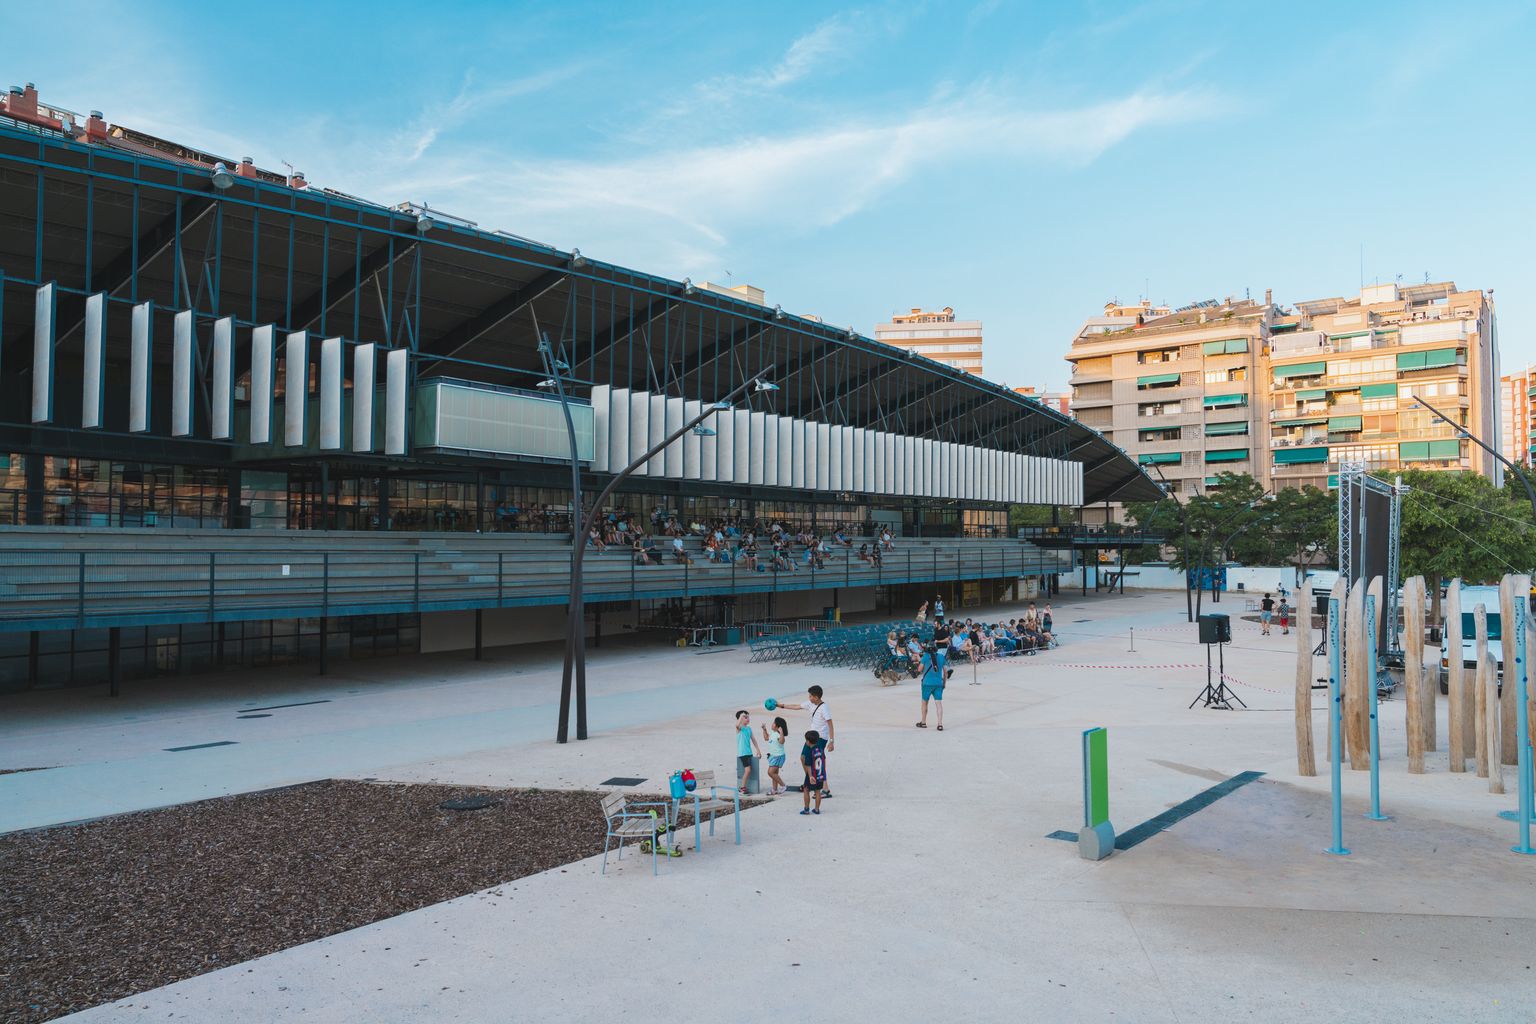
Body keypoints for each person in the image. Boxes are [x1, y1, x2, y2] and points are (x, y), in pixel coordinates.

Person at [777, 685, 834, 797]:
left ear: (817, 697)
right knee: (803, 758)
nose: (809, 698)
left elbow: (830, 725)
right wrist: (782, 706)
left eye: (811, 696)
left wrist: (831, 741)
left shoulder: (824, 708)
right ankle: (811, 779)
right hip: (811, 736)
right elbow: (797, 706)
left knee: (818, 762)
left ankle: (825, 789)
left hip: (821, 738)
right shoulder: (810, 703)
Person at [917, 642, 946, 730]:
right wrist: (944, 683)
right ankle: (940, 724)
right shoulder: (941, 656)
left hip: (927, 683)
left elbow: (919, 669)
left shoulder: (925, 656)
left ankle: (923, 722)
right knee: (938, 703)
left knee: (925, 703)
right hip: (938, 683)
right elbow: (945, 672)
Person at [735, 710, 764, 795]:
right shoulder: (739, 728)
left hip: (749, 752)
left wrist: (758, 750)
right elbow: (737, 725)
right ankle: (742, 788)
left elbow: (753, 740)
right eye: (745, 717)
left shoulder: (749, 728)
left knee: (751, 770)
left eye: (748, 717)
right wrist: (741, 716)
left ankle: (747, 787)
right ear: (740, 719)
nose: (748, 719)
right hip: (743, 753)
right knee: (748, 770)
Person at [799, 730, 825, 815]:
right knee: (817, 791)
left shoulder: (810, 751)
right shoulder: (820, 749)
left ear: (808, 742)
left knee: (806, 789)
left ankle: (806, 809)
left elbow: (809, 765)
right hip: (820, 774)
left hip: (812, 775)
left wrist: (810, 776)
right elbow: (823, 759)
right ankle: (817, 809)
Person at [761, 716, 789, 795]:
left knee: (770, 772)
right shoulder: (773, 733)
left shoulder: (778, 734)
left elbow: (781, 741)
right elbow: (766, 738)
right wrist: (764, 730)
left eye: (774, 723)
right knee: (775, 774)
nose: (772, 724)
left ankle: (783, 785)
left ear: (778, 726)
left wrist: (781, 732)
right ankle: (774, 789)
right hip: (773, 756)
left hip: (778, 756)